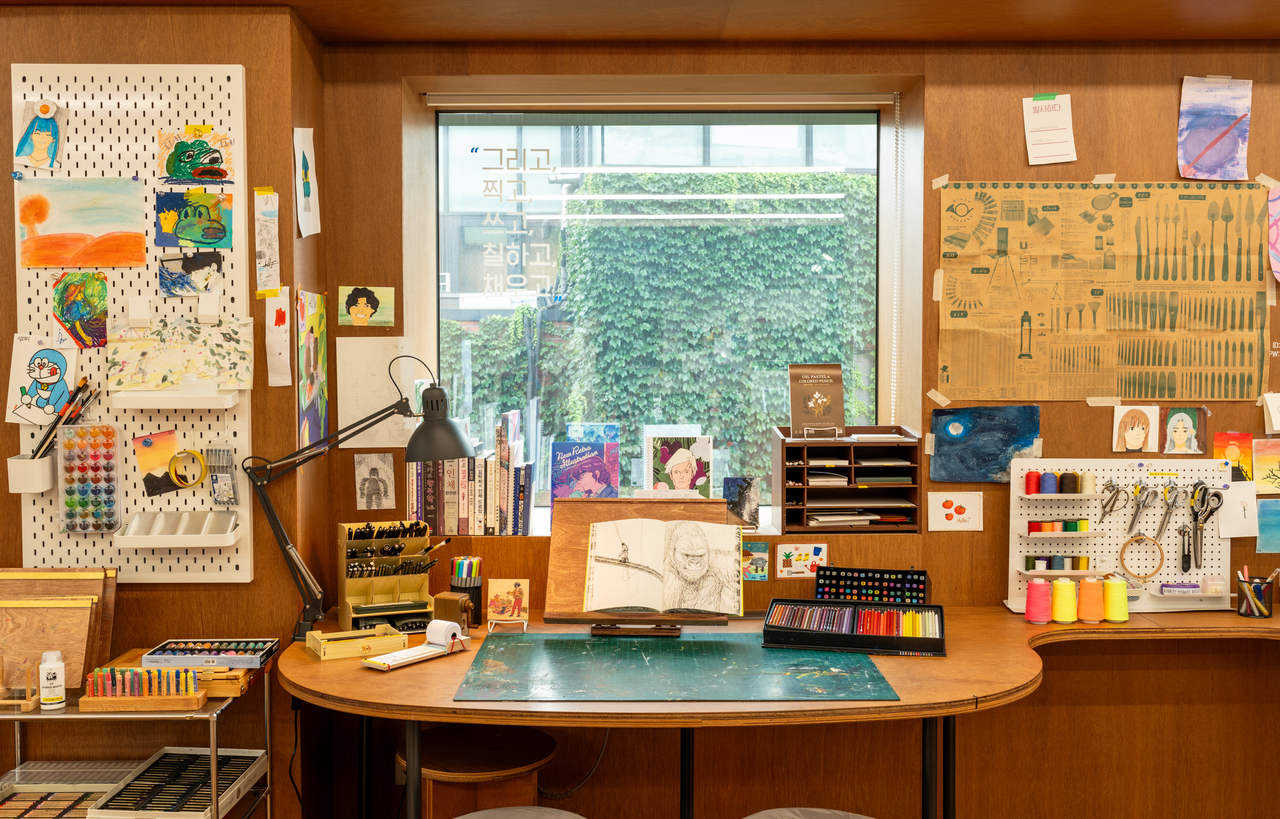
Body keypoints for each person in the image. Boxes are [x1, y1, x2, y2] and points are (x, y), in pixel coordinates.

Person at [660, 521, 739, 613]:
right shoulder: (669, 571)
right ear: (674, 552)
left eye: (700, 556)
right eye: (687, 555)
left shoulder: (716, 561)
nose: (695, 563)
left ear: (707, 553)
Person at [15, 104, 60, 169]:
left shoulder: (55, 165)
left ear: (53, 139)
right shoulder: (20, 159)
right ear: (31, 135)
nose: (42, 138)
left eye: (48, 135)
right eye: (37, 133)